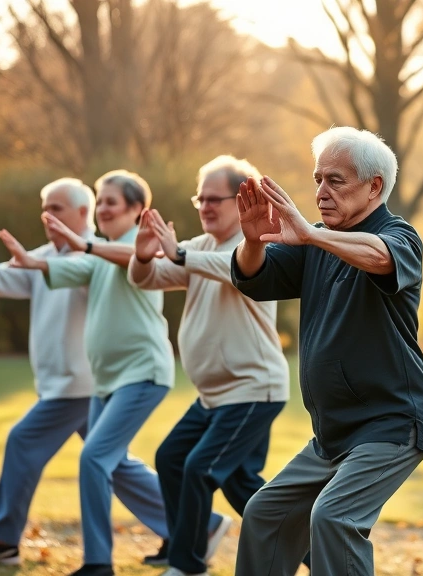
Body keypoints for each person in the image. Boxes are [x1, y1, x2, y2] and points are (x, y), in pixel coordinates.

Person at [230, 127, 423, 576]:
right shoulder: (316, 241)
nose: (321, 192)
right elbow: (254, 277)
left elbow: (381, 257)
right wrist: (251, 240)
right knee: (265, 515)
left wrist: (311, 234)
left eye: (336, 181)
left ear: (374, 187)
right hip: (332, 434)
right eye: (317, 179)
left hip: (391, 423)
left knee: (335, 518)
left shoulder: (398, 235)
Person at [0, 170, 173, 576]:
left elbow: (138, 261)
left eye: (113, 201)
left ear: (136, 210)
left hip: (142, 374)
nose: (105, 207)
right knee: (111, 463)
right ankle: (198, 528)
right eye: (101, 200)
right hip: (107, 380)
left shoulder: (142, 245)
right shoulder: (98, 253)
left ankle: (97, 563)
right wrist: (31, 261)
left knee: (94, 459)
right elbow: (68, 270)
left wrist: (85, 244)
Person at [127, 156, 291, 576]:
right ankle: (313, 553)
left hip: (254, 390)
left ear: (240, 201)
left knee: (199, 469)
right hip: (215, 397)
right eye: (199, 197)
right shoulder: (197, 249)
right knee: (207, 473)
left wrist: (178, 253)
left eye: (213, 198)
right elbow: (148, 279)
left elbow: (232, 268)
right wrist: (144, 257)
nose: (203, 206)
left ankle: (185, 564)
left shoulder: (257, 245)